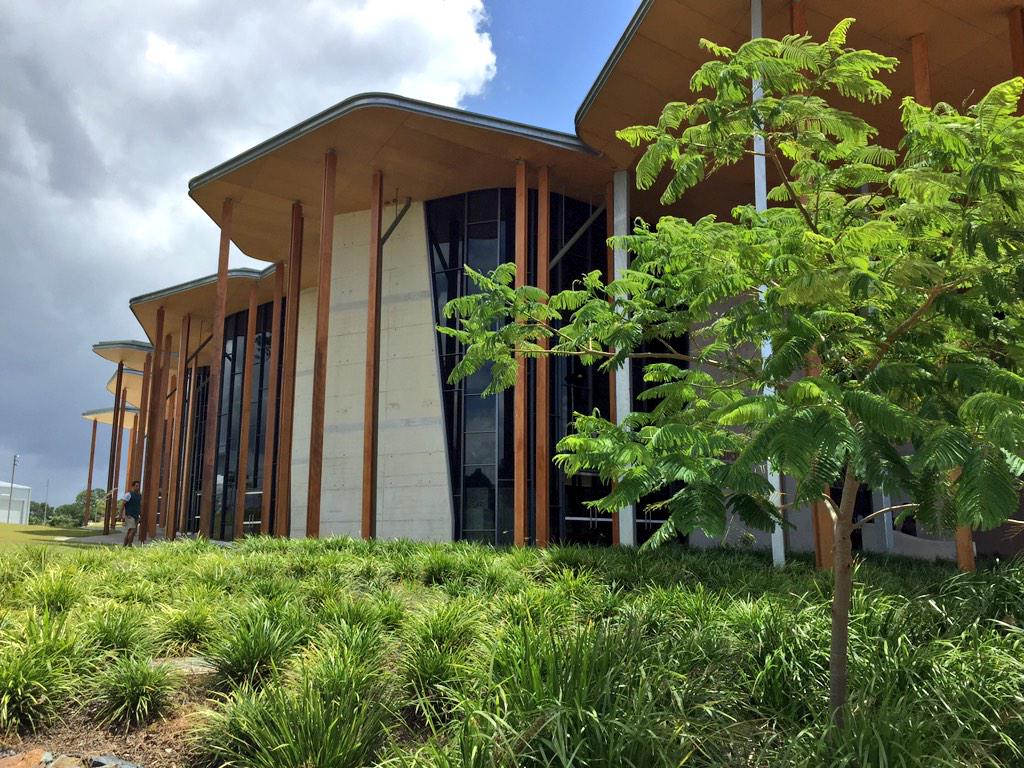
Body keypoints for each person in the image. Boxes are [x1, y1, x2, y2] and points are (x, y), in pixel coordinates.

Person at [120, 480, 142, 547]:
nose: (138, 487)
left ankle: (124, 546)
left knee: (130, 531)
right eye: (136, 486)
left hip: (136, 515)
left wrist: (140, 515)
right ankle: (129, 546)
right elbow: (123, 504)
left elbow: (139, 506)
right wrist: (120, 514)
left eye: (138, 486)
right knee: (133, 530)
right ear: (133, 487)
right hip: (129, 515)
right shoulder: (128, 494)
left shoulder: (139, 496)